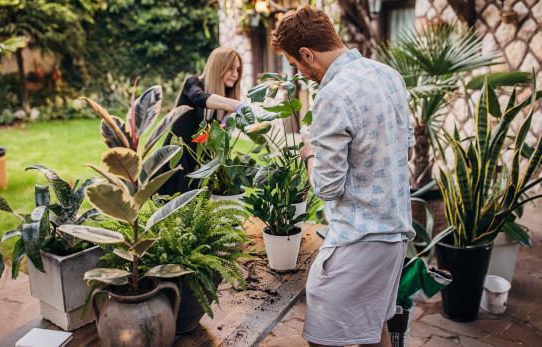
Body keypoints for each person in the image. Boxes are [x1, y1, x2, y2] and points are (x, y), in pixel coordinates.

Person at [271, 6, 416, 347]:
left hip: (359, 240)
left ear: (307, 54)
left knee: (322, 336)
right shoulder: (388, 75)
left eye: (296, 65)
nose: (301, 74)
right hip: (395, 235)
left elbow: (328, 187)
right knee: (373, 328)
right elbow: (406, 151)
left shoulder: (333, 95)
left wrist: (310, 154)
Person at [159, 47, 244, 195]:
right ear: (218, 67)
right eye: (230, 69)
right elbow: (198, 97)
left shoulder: (225, 97)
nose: (235, 75)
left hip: (202, 164)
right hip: (179, 159)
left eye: (238, 70)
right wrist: (238, 105)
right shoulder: (193, 83)